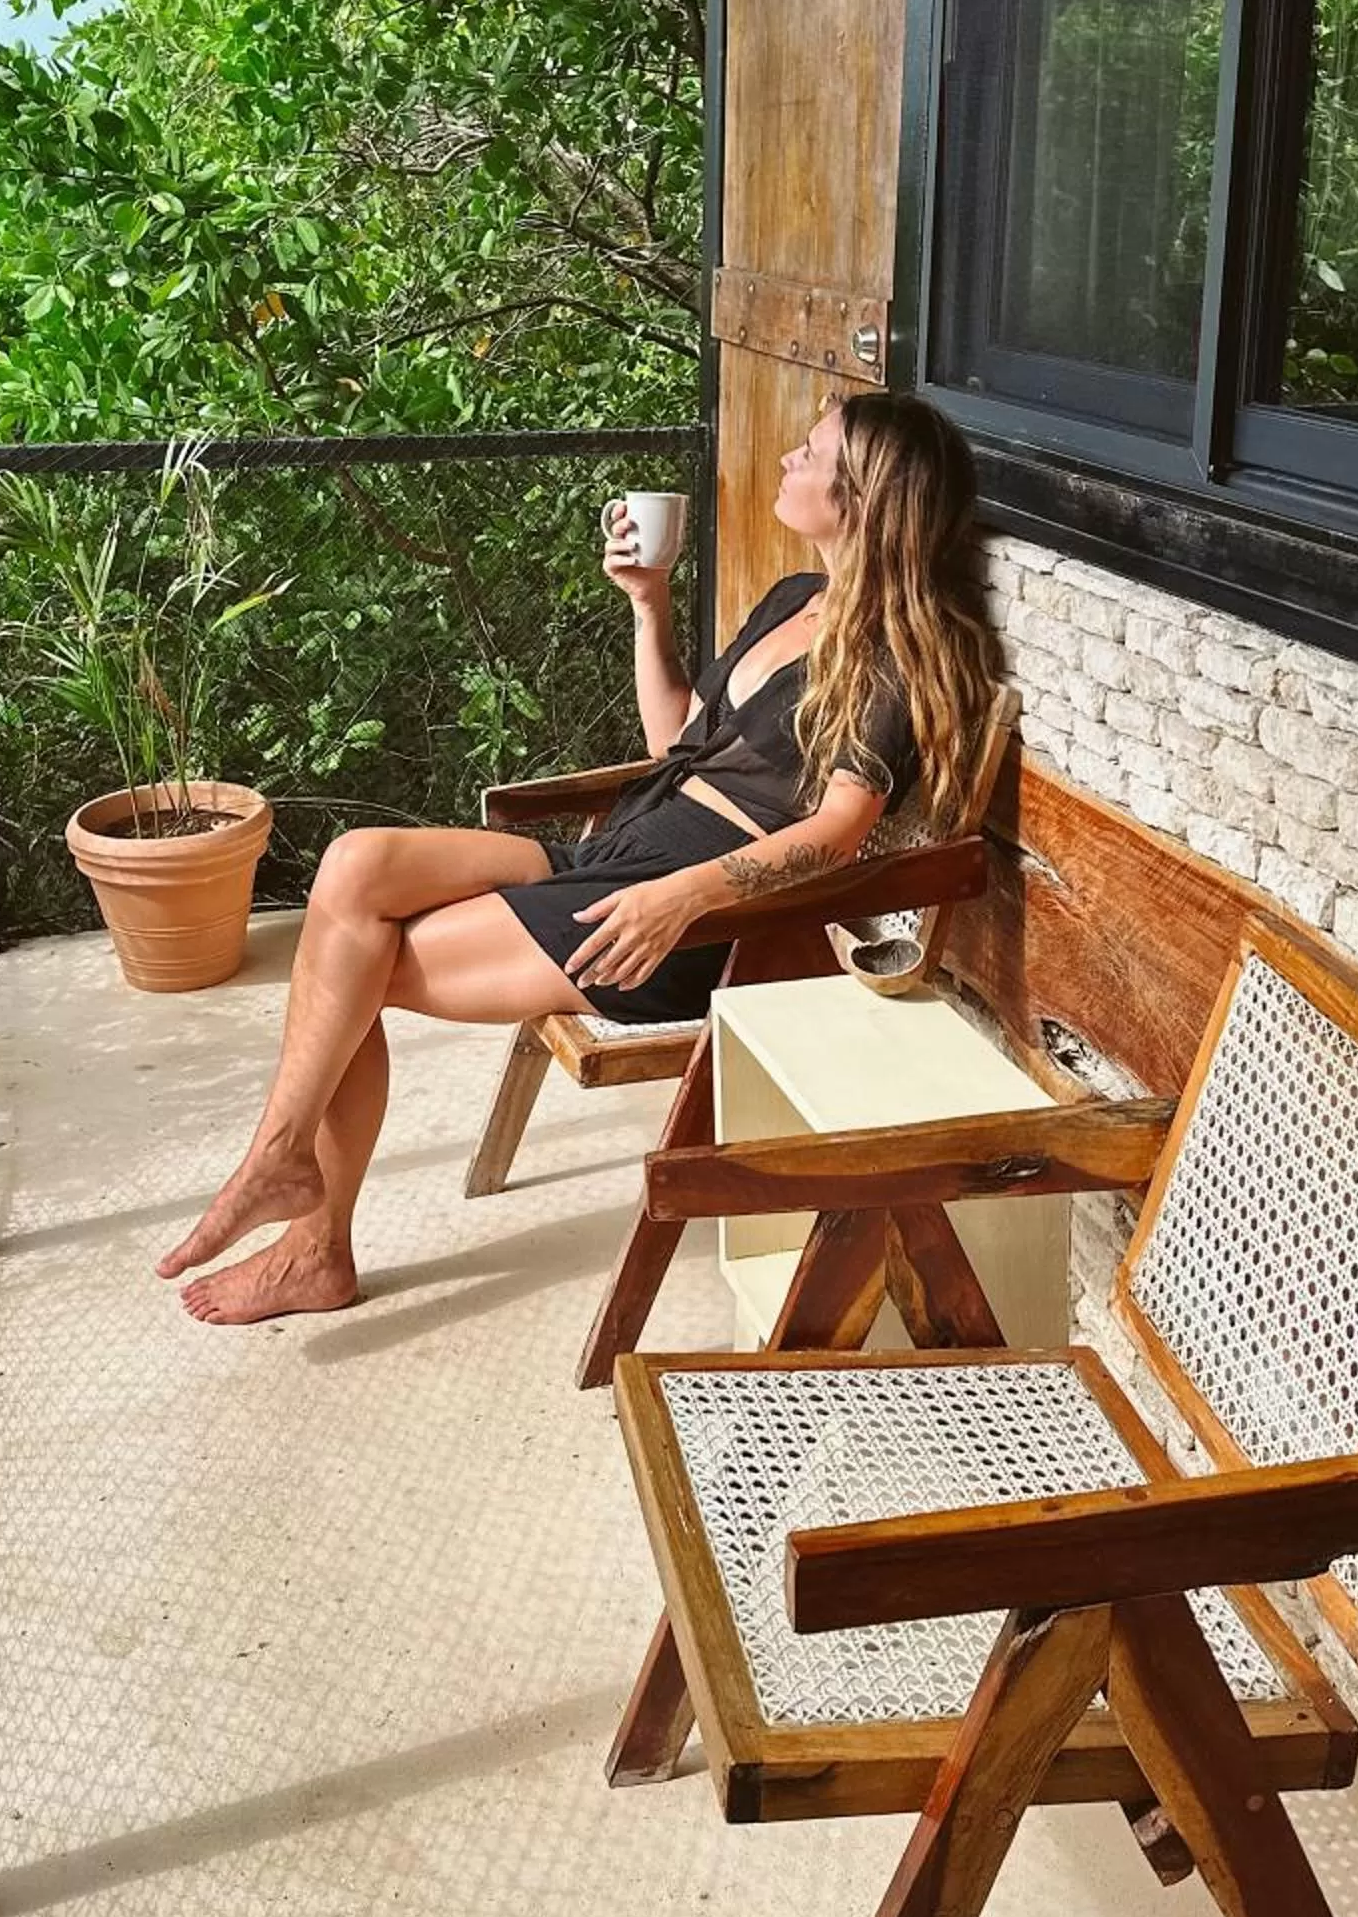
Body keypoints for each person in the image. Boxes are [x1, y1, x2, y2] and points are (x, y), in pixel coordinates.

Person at [156, 392, 1003, 1324]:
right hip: (636, 843)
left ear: (864, 496)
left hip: (695, 915)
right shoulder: (798, 600)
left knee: (357, 968)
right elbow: (679, 740)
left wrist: (681, 898)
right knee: (357, 866)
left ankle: (311, 1237)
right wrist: (649, 604)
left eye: (810, 453)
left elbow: (838, 831)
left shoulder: (894, 656)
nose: (788, 461)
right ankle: (285, 1174)